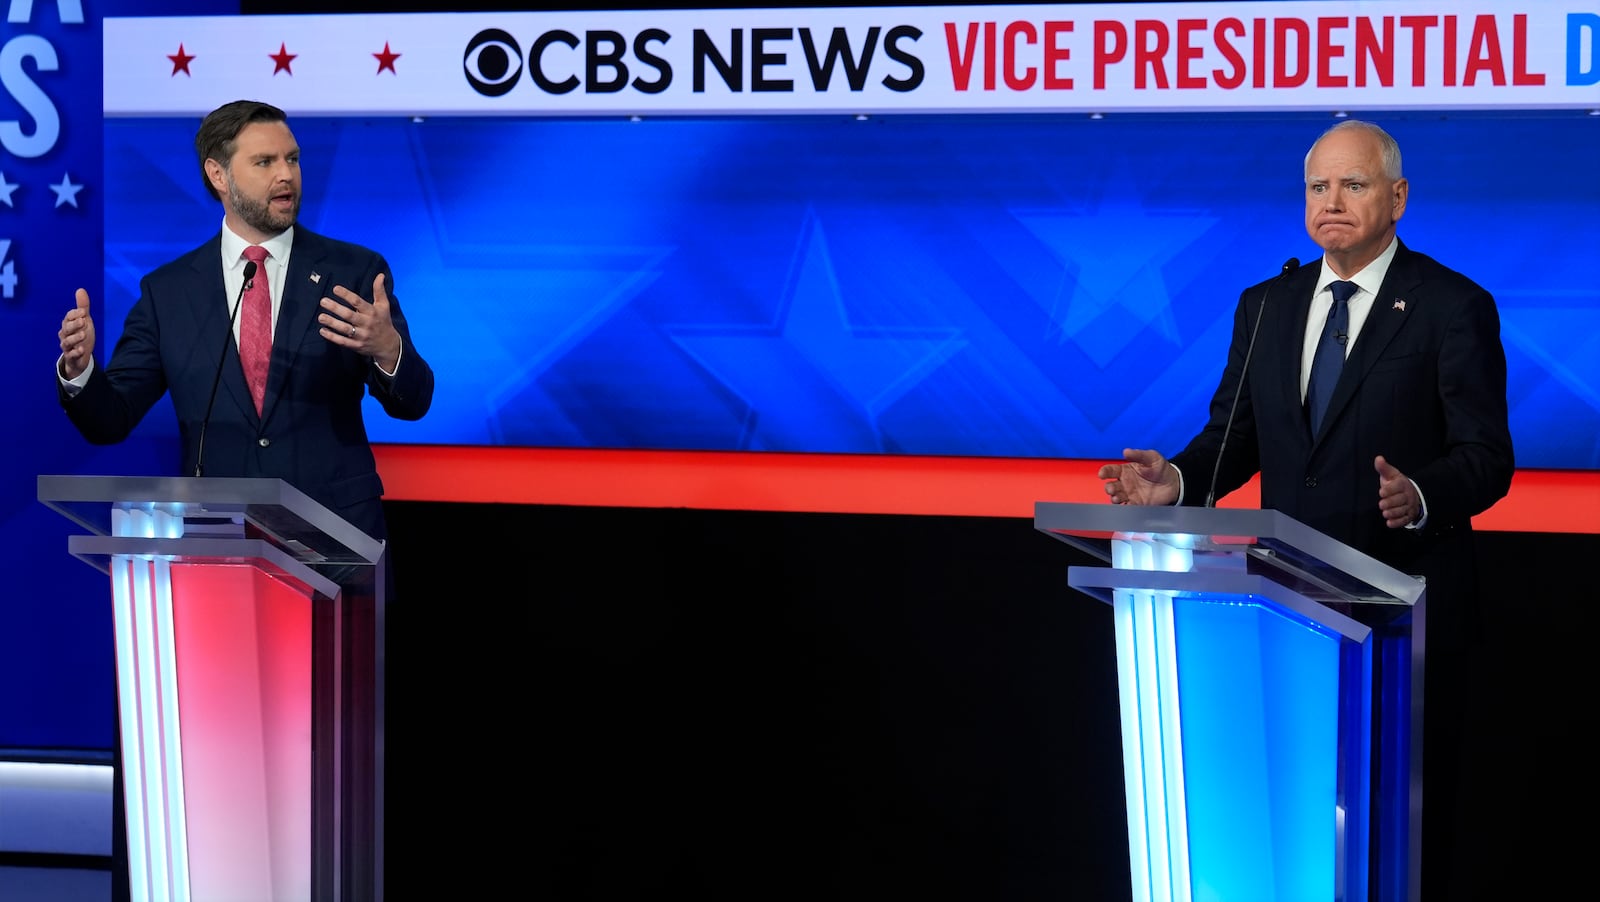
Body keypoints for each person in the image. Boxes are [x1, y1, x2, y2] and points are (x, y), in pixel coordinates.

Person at [1097, 119, 1513, 899]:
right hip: (1286, 614)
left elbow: (1488, 458)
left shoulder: (1451, 306)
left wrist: (1421, 493)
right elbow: (1234, 438)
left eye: (1353, 185)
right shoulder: (1268, 306)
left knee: (1399, 843)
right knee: (1296, 834)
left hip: (1404, 618)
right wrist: (1177, 484)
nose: (1332, 201)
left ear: (1397, 198)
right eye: (1318, 186)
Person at [54, 98, 433, 900]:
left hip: (337, 563)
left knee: (335, 779)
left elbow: (414, 399)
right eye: (266, 162)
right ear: (218, 176)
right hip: (213, 571)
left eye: (292, 159)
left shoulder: (354, 269)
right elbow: (112, 417)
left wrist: (387, 348)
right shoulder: (172, 291)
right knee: (220, 770)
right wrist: (80, 375)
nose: (288, 175)